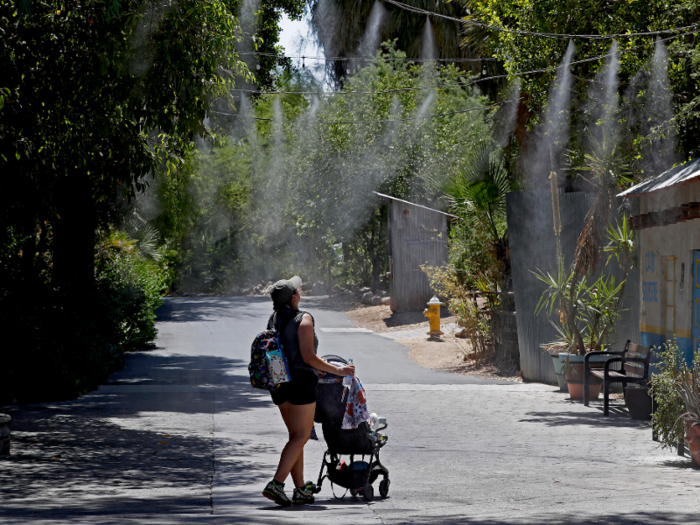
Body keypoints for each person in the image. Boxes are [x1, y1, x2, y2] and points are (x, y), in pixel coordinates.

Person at [262, 276, 355, 506]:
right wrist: (338, 370)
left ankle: (301, 489)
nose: (300, 293)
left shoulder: (273, 319)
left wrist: (318, 368)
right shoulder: (303, 318)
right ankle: (277, 484)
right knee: (301, 435)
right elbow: (308, 356)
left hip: (279, 383)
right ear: (294, 298)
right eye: (298, 291)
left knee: (296, 437)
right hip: (301, 384)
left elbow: (289, 354)